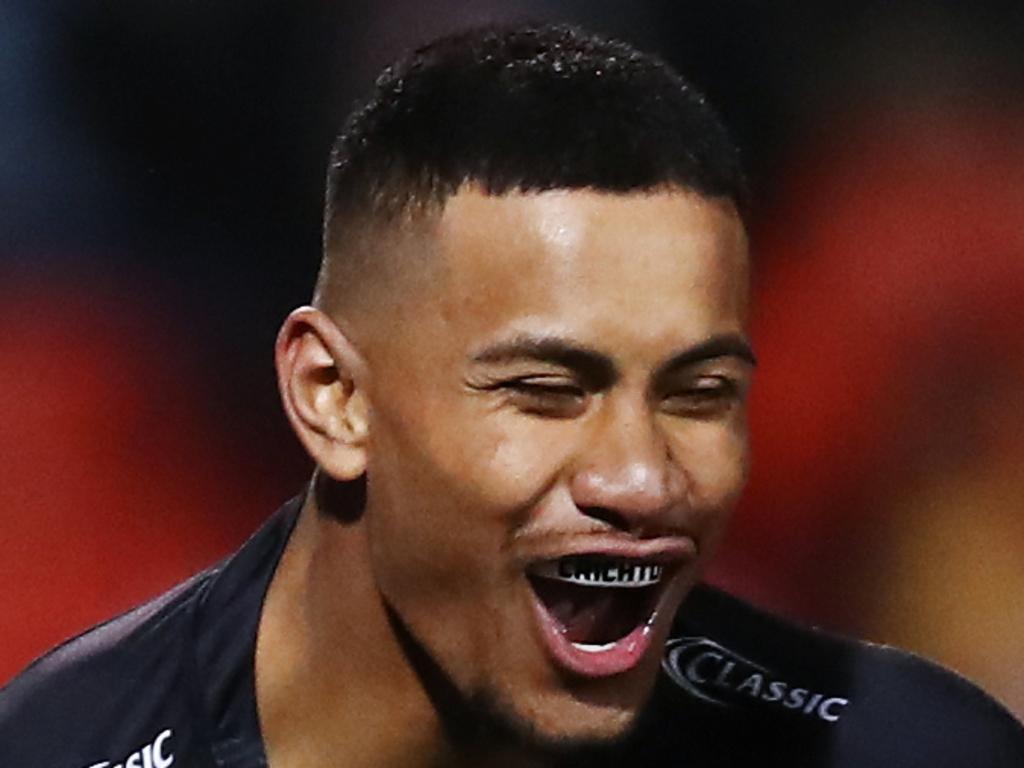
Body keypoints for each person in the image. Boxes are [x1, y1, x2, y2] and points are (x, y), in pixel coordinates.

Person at [2, 22, 1022, 768]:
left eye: (694, 392)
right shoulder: (73, 728)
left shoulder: (901, 738)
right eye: (542, 390)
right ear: (332, 392)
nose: (636, 476)